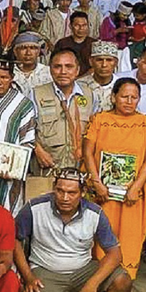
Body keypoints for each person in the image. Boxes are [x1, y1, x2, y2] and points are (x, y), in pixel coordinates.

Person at [14, 167, 132, 292]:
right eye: (60, 191)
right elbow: (15, 240)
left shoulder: (95, 213)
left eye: (72, 193)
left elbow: (115, 253)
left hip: (83, 269)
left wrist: (92, 284)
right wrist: (28, 277)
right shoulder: (34, 207)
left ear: (82, 193)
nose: (64, 198)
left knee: (123, 282)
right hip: (46, 270)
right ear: (53, 188)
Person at [82, 77, 146, 286]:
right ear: (114, 97)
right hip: (102, 192)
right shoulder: (100, 120)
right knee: (102, 232)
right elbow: (88, 153)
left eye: (134, 97)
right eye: (124, 96)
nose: (129, 101)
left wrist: (136, 187)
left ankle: (124, 283)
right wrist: (97, 183)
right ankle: (98, 282)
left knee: (130, 234)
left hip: (132, 194)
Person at [0, 54, 37, 215]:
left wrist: (13, 167)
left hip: (8, 177)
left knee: (7, 215)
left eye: (3, 77)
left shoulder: (23, 105)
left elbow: (28, 141)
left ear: (11, 78)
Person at [30, 48, 94, 191]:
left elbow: (95, 131)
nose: (63, 71)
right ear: (50, 69)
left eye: (69, 66)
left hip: (78, 170)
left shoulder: (90, 95)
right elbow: (25, 129)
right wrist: (37, 150)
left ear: (77, 70)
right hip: (46, 169)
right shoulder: (36, 94)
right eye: (57, 66)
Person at [79, 40, 119, 112]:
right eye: (99, 60)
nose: (104, 65)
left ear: (116, 63)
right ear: (91, 61)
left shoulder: (122, 86)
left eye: (109, 60)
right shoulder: (80, 85)